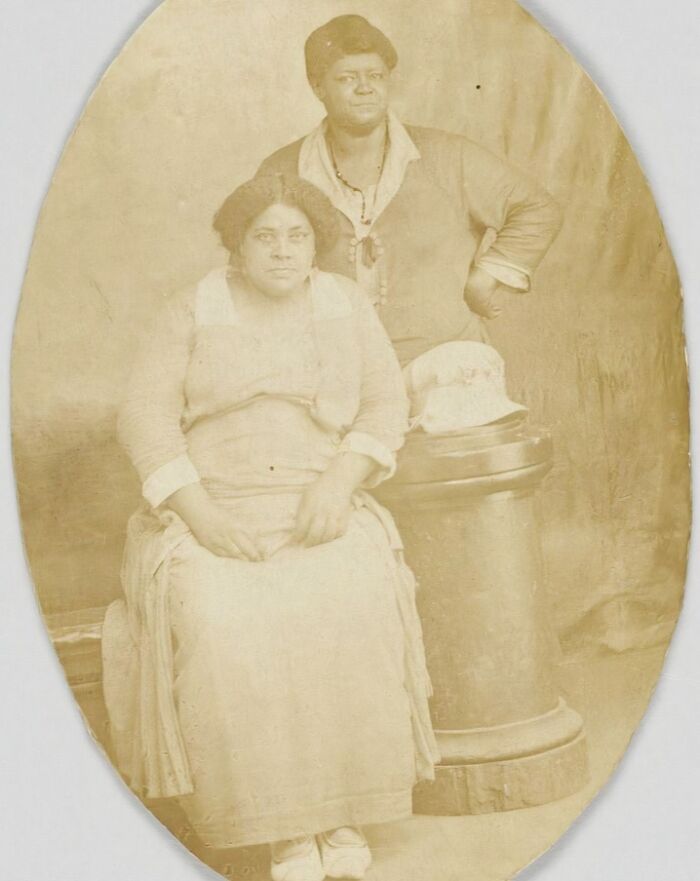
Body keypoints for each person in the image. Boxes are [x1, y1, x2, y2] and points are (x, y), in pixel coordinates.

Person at [101, 173, 439, 881]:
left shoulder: (344, 303)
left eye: (299, 236)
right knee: (224, 619)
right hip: (215, 505)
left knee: (353, 596)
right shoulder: (192, 308)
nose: (283, 252)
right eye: (266, 236)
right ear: (237, 245)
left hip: (320, 502)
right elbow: (145, 417)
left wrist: (340, 483)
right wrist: (200, 514)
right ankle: (282, 829)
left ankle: (340, 812)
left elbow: (383, 404)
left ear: (317, 245)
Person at [257, 14, 562, 364]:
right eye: (346, 78)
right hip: (325, 364)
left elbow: (537, 208)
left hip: (444, 359)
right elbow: (249, 266)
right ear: (317, 87)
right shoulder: (282, 170)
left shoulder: (447, 156)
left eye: (376, 76)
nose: (365, 88)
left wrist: (485, 278)